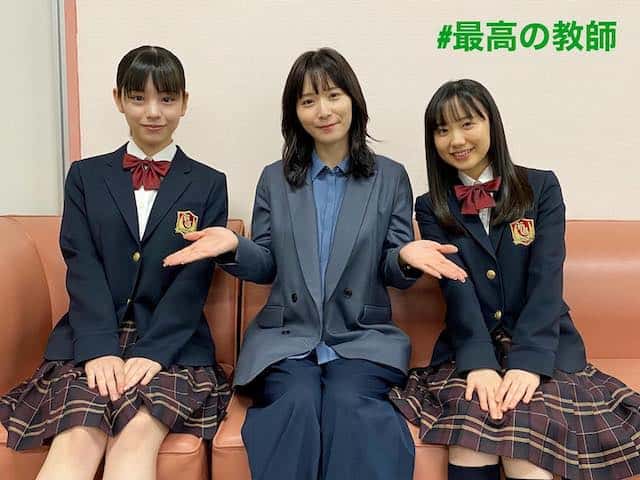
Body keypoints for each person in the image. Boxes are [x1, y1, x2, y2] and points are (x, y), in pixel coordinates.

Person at [163, 47, 466, 480]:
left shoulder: (390, 176)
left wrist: (404, 257)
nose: (323, 111)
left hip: (361, 336)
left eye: (333, 95)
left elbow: (392, 270)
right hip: (286, 337)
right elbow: (266, 264)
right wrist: (233, 246)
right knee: (297, 401)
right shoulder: (274, 178)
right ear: (295, 112)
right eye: (308, 100)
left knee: (349, 403)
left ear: (353, 101)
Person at [390, 78, 640, 480]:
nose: (456, 140)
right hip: (470, 344)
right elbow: (457, 287)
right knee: (472, 438)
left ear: (492, 123)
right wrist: (478, 364)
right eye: (442, 130)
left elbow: (546, 278)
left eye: (467, 123)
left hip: (543, 344)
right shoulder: (432, 206)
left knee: (527, 446)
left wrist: (527, 363)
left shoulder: (541, 187)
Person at [0, 45, 231, 480]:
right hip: (91, 335)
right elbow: (81, 264)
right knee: (76, 435)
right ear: (118, 99)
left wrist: (154, 353)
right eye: (138, 98)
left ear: (184, 102)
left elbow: (193, 280)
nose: (153, 112)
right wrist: (98, 348)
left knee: (137, 435)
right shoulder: (85, 176)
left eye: (166, 99)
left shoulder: (208, 183)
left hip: (172, 345)